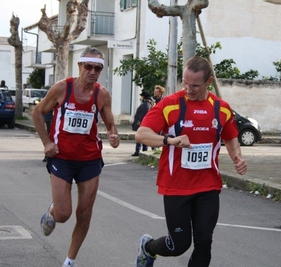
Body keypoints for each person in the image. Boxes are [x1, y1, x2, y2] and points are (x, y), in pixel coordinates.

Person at [134, 56, 247, 267]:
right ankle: (148, 248)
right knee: (179, 245)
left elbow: (230, 136)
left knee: (204, 244)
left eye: (195, 85)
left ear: (208, 82)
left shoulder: (221, 108)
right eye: (185, 83)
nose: (188, 89)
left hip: (208, 186)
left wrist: (236, 157)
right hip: (176, 186)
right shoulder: (170, 105)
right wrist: (170, 140)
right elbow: (141, 135)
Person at [31, 46, 120, 267]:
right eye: (88, 66)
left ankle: (69, 261)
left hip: (90, 159)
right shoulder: (62, 89)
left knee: (85, 213)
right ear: (80, 65)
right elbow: (37, 112)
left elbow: (110, 124)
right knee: (63, 214)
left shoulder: (102, 95)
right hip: (62, 158)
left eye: (98, 68)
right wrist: (47, 143)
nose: (92, 71)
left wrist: (113, 134)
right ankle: (52, 211)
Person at [131, 90, 153, 156]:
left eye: (141, 96)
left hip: (142, 124)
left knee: (140, 137)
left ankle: (139, 150)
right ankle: (143, 150)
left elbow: (143, 114)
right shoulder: (148, 104)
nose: (141, 98)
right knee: (143, 138)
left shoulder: (146, 105)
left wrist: (139, 121)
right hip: (143, 124)